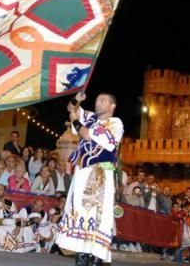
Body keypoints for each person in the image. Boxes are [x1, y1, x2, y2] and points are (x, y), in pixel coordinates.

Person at [56, 91, 124, 266]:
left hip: (100, 174)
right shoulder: (92, 118)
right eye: (97, 100)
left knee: (98, 214)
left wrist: (75, 122)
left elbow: (86, 134)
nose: (98, 103)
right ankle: (81, 254)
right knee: (79, 211)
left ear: (112, 106)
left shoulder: (115, 123)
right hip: (83, 171)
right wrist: (76, 100)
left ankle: (96, 257)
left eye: (103, 101)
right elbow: (71, 108)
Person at [0, 184, 35, 253]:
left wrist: (18, 227)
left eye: (1, 189)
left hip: (4, 224)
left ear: (4, 192)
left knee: (24, 225)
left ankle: (26, 246)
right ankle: (1, 245)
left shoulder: (10, 203)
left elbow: (16, 216)